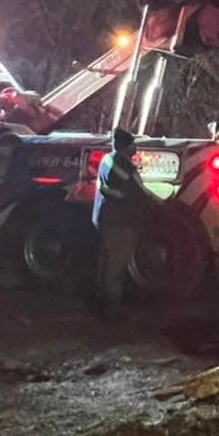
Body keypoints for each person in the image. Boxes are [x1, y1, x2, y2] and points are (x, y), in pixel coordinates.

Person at [92, 128, 158, 319]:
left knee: (105, 263)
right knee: (117, 266)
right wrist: (161, 202)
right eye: (133, 144)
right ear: (127, 146)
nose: (136, 148)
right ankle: (112, 310)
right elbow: (139, 192)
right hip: (120, 222)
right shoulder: (125, 167)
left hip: (105, 218)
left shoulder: (107, 159)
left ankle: (100, 305)